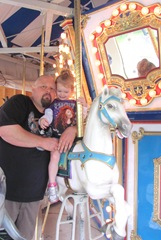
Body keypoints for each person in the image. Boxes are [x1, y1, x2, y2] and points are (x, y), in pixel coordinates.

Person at [0, 75, 77, 240]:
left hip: (34, 197)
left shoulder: (58, 115)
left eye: (52, 88)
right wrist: (44, 142)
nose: (48, 91)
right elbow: (5, 131)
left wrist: (73, 129)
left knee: (25, 236)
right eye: (43, 86)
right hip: (8, 192)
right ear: (32, 89)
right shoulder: (19, 103)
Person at [39, 69, 88, 203]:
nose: (62, 94)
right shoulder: (54, 104)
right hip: (57, 136)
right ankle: (52, 184)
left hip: (73, 139)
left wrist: (84, 106)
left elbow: (82, 118)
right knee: (54, 155)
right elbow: (48, 115)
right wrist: (43, 120)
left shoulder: (74, 104)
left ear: (72, 91)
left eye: (65, 92)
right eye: (59, 91)